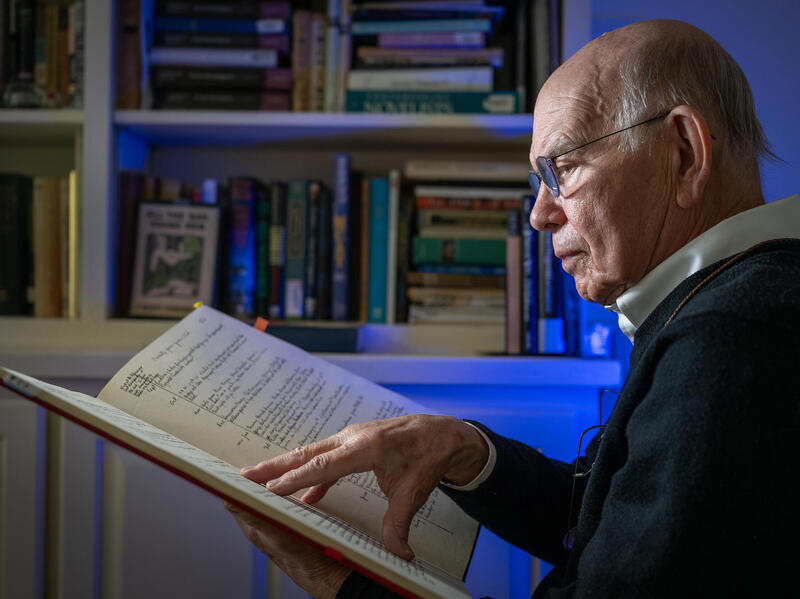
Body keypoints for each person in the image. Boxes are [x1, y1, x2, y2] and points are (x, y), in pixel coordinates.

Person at [230, 19, 800, 598]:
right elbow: (622, 524)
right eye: (538, 180)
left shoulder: (731, 336)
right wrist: (466, 450)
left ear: (683, 153)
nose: (539, 214)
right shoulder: (740, 303)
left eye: (563, 170)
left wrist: (334, 579)